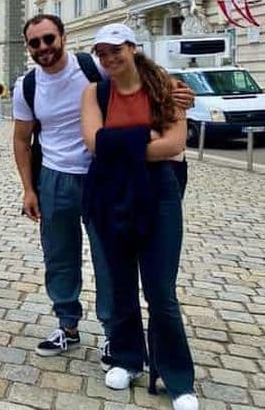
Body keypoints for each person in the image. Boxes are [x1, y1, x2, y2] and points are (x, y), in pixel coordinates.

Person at [12, 14, 194, 360]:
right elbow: (22, 140)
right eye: (35, 43)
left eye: (49, 39)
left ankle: (116, 334)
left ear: (63, 37)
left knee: (109, 259)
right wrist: (28, 189)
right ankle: (67, 325)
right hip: (54, 177)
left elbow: (144, 77)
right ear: (28, 47)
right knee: (59, 256)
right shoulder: (27, 85)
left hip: (105, 176)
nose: (43, 47)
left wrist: (180, 93)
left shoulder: (92, 66)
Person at [81, 23, 197, 410]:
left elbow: (174, 143)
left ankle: (176, 376)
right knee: (120, 282)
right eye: (102, 53)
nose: (109, 58)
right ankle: (127, 357)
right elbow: (94, 143)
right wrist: (145, 137)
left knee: (161, 290)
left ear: (133, 48)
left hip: (158, 189)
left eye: (116, 49)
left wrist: (120, 145)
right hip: (111, 190)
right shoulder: (95, 93)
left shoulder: (165, 87)